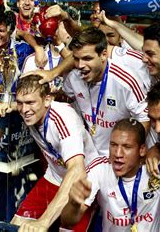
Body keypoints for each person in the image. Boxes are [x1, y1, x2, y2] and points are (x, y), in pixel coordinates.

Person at [61, 118, 160, 231]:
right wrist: (73, 203)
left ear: (142, 150)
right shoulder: (99, 168)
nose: (117, 154)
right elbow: (67, 221)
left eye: (127, 147)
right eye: (113, 145)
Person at [10, 75, 98, 231]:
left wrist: (43, 221)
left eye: (30, 102)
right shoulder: (32, 112)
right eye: (20, 103)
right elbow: (23, 105)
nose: (24, 110)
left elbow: (77, 170)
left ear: (47, 100)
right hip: (55, 176)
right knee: (15, 227)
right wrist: (6, 106)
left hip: (83, 179)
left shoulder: (63, 118)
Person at [62, 27, 149, 156]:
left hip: (118, 157)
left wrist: (128, 154)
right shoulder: (73, 78)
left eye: (87, 58)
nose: (80, 65)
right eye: (76, 58)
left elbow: (144, 119)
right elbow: (68, 98)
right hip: (90, 156)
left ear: (103, 55)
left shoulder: (126, 81)